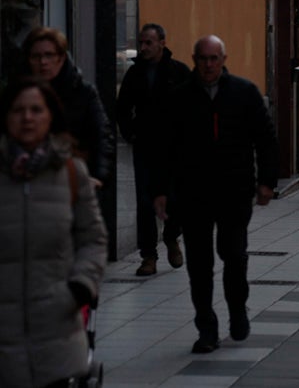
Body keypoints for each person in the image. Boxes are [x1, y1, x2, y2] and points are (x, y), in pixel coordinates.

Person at [153, 35, 278, 354]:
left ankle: (238, 310)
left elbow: (265, 139)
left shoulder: (243, 92)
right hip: (192, 193)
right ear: (195, 60)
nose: (208, 65)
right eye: (202, 59)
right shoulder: (180, 98)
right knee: (199, 264)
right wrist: (161, 191)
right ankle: (206, 328)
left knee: (234, 256)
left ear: (223, 59)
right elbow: (164, 148)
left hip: (234, 191)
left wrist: (266, 182)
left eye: (214, 59)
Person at [0, 77, 107, 387]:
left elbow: (93, 238)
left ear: (51, 117)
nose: (27, 117)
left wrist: (79, 288)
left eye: (36, 109)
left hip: (57, 331)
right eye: (18, 110)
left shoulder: (72, 172)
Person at [116, 23, 191, 277]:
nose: (144, 47)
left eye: (149, 42)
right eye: (141, 42)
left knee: (174, 198)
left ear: (162, 42)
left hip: (174, 148)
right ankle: (148, 255)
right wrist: (130, 132)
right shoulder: (135, 74)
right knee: (145, 202)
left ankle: (171, 237)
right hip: (145, 147)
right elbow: (122, 107)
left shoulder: (177, 71)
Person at [22, 27, 114, 187]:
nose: (43, 62)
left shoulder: (83, 92)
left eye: (49, 55)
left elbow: (102, 136)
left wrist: (98, 177)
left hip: (72, 179)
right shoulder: (19, 94)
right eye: (36, 56)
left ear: (61, 58)